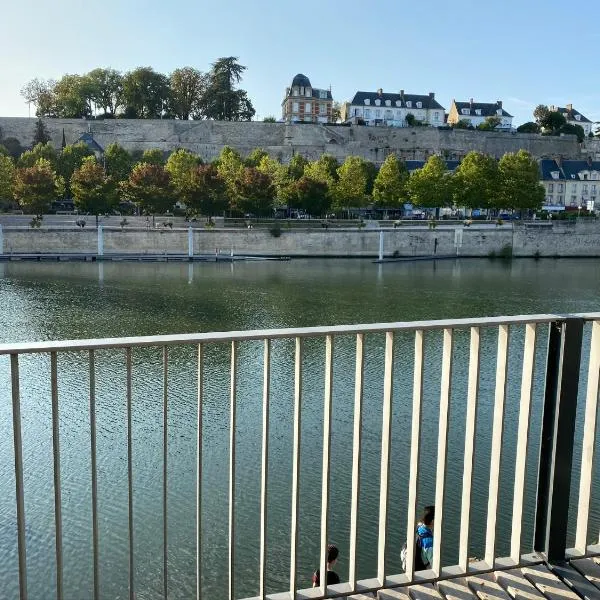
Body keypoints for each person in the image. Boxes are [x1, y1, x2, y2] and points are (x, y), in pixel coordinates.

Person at [415, 505, 434, 570]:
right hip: (422, 574)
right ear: (432, 521)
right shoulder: (429, 542)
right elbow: (434, 566)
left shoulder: (418, 528)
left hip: (410, 568)